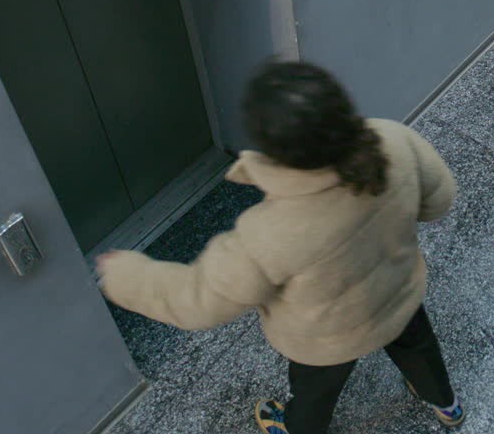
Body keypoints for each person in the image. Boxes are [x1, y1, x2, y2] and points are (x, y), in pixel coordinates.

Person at [97, 61, 462, 434]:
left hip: (326, 341)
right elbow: (439, 201)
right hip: (397, 296)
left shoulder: (268, 233)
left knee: (314, 395)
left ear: (273, 151)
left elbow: (199, 300)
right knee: (420, 350)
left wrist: (125, 275)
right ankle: (446, 405)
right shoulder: (394, 141)